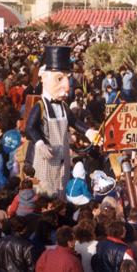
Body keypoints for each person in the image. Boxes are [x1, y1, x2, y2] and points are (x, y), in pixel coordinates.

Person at [25, 46, 98, 198]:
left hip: (62, 159)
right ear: (44, 78)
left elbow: (74, 121)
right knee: (44, 192)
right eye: (59, 78)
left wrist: (88, 131)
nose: (66, 86)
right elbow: (30, 127)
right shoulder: (40, 106)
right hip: (46, 160)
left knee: (60, 190)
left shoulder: (64, 106)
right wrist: (39, 143)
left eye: (67, 78)